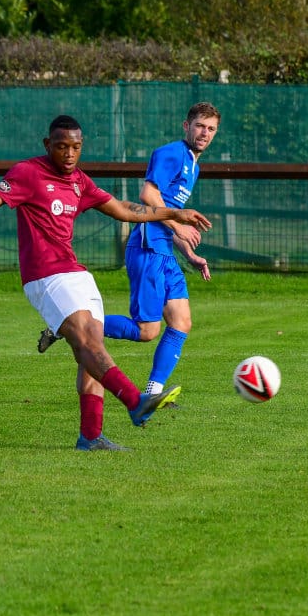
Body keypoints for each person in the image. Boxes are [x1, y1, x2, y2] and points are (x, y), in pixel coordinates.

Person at [0, 115, 212, 452]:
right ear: (48, 145)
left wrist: (173, 214)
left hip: (76, 273)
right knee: (89, 343)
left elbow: (124, 209)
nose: (70, 153)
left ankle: (91, 436)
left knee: (91, 351)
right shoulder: (28, 173)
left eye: (76, 147)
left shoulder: (80, 182)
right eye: (62, 147)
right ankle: (136, 402)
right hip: (45, 275)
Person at [37, 102, 220, 401]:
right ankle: (66, 326)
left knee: (181, 321)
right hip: (148, 248)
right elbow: (148, 195)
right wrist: (179, 224)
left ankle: (153, 393)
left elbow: (169, 213)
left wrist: (190, 254)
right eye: (200, 126)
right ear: (186, 126)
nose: (205, 133)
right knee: (147, 330)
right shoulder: (172, 153)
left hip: (164, 250)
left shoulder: (192, 165)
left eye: (211, 129)